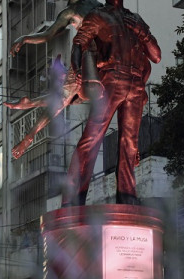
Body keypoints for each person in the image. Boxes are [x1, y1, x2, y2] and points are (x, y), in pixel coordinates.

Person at [62, 0, 161, 206]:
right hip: (112, 79)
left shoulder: (135, 19)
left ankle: (127, 197)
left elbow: (156, 56)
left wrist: (142, 32)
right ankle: (73, 198)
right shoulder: (98, 15)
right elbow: (79, 44)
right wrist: (79, 72)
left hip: (135, 85)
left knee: (130, 144)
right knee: (92, 138)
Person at [6, 0, 103, 159]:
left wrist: (24, 38)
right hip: (103, 52)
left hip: (87, 52)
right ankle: (30, 113)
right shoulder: (98, 5)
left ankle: (30, 127)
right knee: (67, 96)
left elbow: (47, 35)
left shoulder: (71, 11)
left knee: (64, 98)